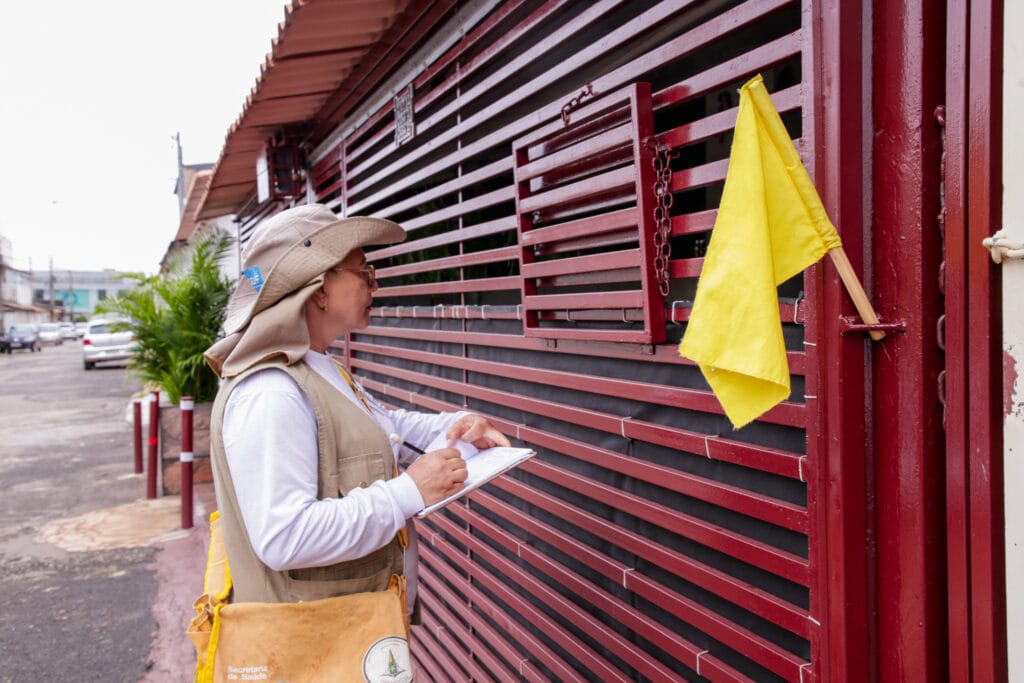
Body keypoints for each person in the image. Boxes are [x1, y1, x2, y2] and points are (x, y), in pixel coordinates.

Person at [203, 203, 510, 615]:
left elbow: (385, 427)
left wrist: (457, 425)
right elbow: (284, 536)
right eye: (364, 273)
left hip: (353, 636)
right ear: (319, 289)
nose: (374, 285)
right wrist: (409, 491)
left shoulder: (318, 367)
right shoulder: (271, 393)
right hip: (313, 654)